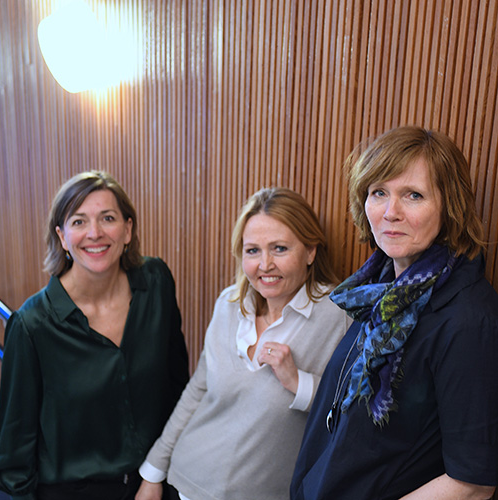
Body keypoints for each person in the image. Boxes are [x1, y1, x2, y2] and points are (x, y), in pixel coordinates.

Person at [290, 125, 498, 499]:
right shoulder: (379, 293)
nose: (390, 212)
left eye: (413, 195)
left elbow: (472, 483)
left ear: (449, 206)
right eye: (378, 192)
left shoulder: (467, 320)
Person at [135, 187, 351, 500]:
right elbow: (198, 391)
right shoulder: (229, 304)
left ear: (310, 251)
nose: (265, 265)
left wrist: (298, 382)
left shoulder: (339, 316)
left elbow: (352, 416)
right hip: (185, 483)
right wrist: (153, 471)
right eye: (252, 251)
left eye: (279, 248)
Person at [0, 171, 189, 500]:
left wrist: (158, 473)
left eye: (108, 218)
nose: (95, 233)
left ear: (128, 229)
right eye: (79, 222)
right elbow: (14, 459)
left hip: (156, 481)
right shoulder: (31, 326)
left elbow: (177, 388)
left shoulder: (156, 282)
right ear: (62, 236)